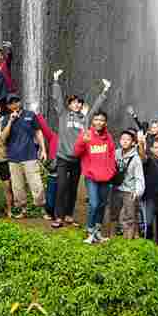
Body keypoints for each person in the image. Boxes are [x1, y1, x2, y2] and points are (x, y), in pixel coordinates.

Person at [51, 71, 110, 228]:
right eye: (73, 102)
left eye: (79, 103)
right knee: (62, 186)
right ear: (69, 104)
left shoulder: (85, 119)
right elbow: (57, 99)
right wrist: (56, 81)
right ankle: (58, 217)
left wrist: (105, 91)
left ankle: (69, 214)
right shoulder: (63, 115)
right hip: (63, 158)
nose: (76, 105)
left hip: (78, 160)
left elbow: (97, 107)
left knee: (73, 188)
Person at [74, 111, 116, 244]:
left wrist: (111, 171)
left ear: (105, 122)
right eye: (96, 119)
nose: (99, 122)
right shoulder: (86, 134)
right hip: (91, 176)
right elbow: (76, 153)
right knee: (94, 203)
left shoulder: (108, 137)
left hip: (105, 176)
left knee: (102, 205)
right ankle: (90, 231)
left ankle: (97, 232)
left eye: (102, 120)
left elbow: (111, 154)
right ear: (92, 121)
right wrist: (82, 142)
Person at [4, 93, 47, 218]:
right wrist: (11, 121)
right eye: (11, 103)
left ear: (20, 101)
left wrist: (43, 150)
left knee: (37, 185)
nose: (14, 104)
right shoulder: (6, 118)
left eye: (16, 101)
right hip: (13, 157)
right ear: (8, 106)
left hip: (30, 155)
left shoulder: (30, 115)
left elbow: (38, 132)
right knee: (17, 187)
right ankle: (23, 210)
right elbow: (3, 137)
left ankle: (42, 210)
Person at [108, 130, 146, 239]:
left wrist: (138, 192)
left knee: (129, 217)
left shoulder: (136, 158)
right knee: (113, 214)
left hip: (129, 190)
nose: (125, 142)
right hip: (116, 188)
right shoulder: (116, 153)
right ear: (119, 141)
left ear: (133, 142)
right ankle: (112, 238)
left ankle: (127, 241)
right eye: (123, 139)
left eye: (128, 140)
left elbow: (139, 177)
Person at [34, 112, 59, 221]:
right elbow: (44, 128)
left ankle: (59, 213)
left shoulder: (73, 140)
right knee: (51, 192)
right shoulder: (54, 137)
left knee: (62, 193)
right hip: (54, 169)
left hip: (66, 170)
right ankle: (49, 211)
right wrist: (38, 115)